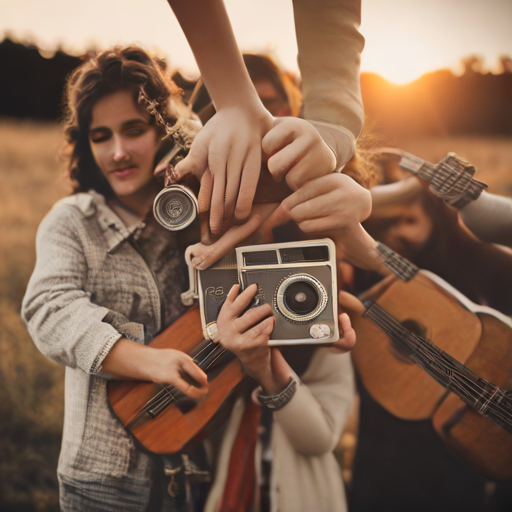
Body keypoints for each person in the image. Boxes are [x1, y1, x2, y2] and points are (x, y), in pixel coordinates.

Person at [21, 45, 372, 511]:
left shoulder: (207, 218)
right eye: (100, 136)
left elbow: (261, 295)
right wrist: (150, 361)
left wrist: (316, 327)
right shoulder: (73, 221)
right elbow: (49, 309)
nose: (118, 152)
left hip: (198, 474)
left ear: (163, 135)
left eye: (135, 129)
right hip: (103, 481)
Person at [165, 0, 365, 234]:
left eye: (269, 104)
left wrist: (333, 133)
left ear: (294, 109)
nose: (265, 122)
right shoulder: (183, 192)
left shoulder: (339, 183)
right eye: (220, 115)